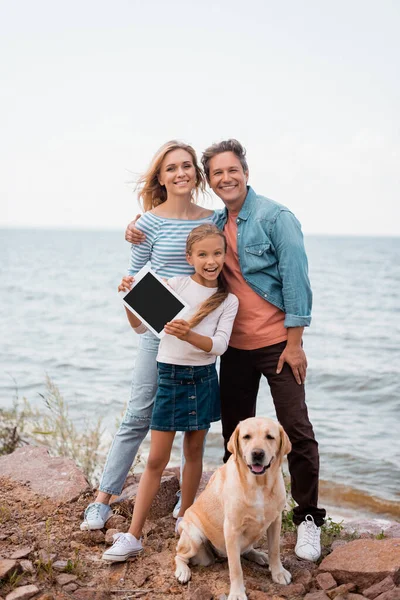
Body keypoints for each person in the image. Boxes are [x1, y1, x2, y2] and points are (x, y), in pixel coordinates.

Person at [126, 139, 326, 561]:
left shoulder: (276, 217)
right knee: (237, 438)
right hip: (232, 350)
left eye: (232, 170)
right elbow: (186, 239)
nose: (225, 178)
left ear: (246, 172)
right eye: (216, 173)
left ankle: (308, 520)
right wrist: (138, 227)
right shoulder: (216, 221)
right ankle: (238, 519)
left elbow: (297, 283)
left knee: (296, 431)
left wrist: (295, 343)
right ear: (210, 181)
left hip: (277, 345)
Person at [80, 141, 218, 532]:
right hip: (159, 333)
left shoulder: (215, 217)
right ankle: (103, 499)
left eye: (187, 166)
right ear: (161, 176)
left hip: (199, 334)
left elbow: (220, 271)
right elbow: (137, 279)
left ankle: (186, 503)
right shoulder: (147, 224)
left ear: (196, 173)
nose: (181, 173)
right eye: (172, 167)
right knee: (139, 413)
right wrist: (135, 297)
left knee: (195, 422)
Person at [102, 224, 238, 562]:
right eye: (203, 254)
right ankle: (133, 536)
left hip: (203, 379)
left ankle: (185, 519)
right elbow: (138, 327)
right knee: (156, 459)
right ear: (189, 257)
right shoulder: (174, 287)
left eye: (217, 254)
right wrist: (127, 299)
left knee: (193, 453)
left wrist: (189, 335)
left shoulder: (228, 300)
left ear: (224, 256)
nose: (210, 261)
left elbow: (219, 346)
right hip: (169, 377)